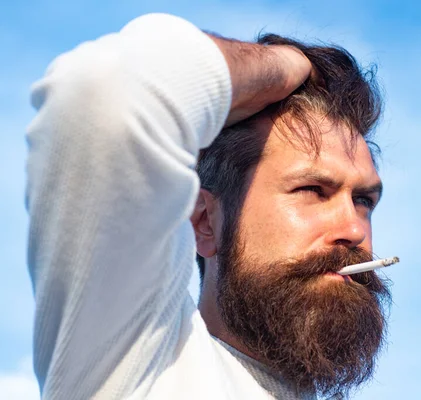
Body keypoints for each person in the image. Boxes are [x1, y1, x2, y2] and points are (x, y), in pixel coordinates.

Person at [26, 12, 391, 400]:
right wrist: (293, 65)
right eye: (313, 190)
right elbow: (105, 88)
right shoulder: (138, 360)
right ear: (204, 221)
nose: (354, 230)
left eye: (362, 200)